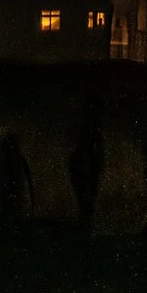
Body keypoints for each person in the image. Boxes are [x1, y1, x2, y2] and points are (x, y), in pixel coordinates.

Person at [67, 97, 105, 234]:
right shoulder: (91, 130)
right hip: (85, 167)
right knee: (85, 203)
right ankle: (84, 228)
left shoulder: (90, 130)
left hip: (86, 167)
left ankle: (84, 228)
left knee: (85, 203)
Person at [0, 131, 36, 227]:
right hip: (13, 199)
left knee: (13, 221)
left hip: (15, 199)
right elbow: (28, 180)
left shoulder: (7, 161)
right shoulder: (10, 161)